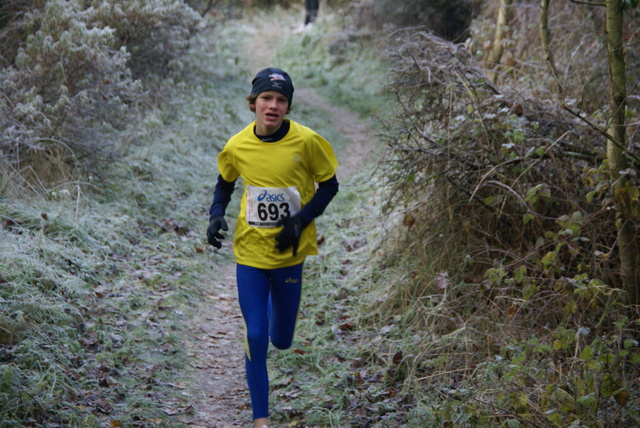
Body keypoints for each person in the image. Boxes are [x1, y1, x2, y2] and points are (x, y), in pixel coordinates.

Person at [206, 67, 339, 428]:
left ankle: (271, 313)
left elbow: (329, 186)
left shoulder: (308, 141)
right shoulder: (237, 145)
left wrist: (299, 221)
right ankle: (261, 420)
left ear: (288, 107)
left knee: (280, 340)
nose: (273, 105)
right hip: (250, 252)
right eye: (266, 98)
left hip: (289, 255)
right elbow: (224, 184)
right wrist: (216, 214)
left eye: (281, 100)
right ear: (252, 103)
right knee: (255, 335)